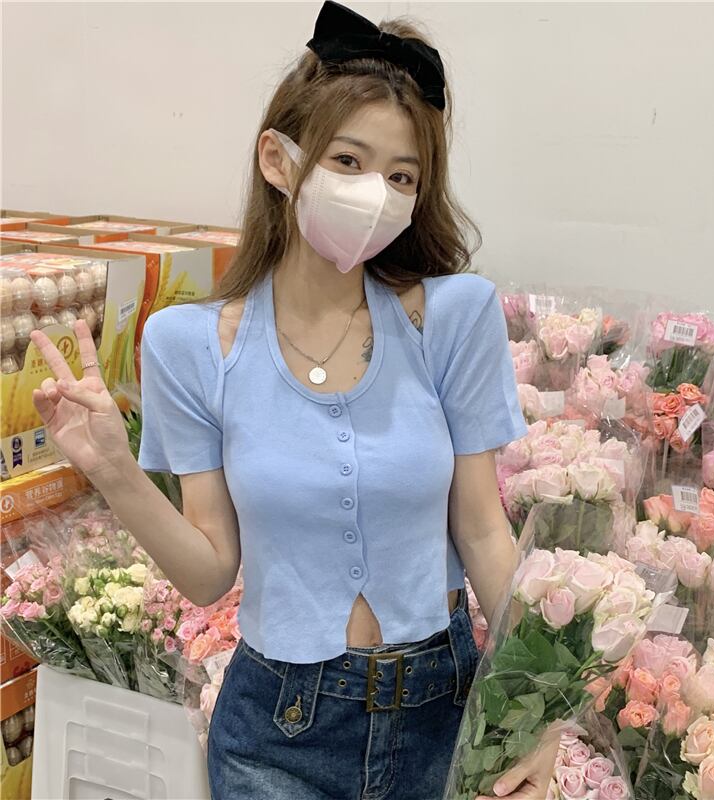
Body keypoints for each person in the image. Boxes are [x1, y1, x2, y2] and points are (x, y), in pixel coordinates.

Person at [30, 2, 559, 798]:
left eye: (401, 176)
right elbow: (210, 573)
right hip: (277, 734)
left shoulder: (453, 317)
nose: (375, 193)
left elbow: (485, 532)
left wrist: (536, 713)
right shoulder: (189, 345)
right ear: (278, 160)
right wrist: (112, 469)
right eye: (348, 161)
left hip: (443, 717)